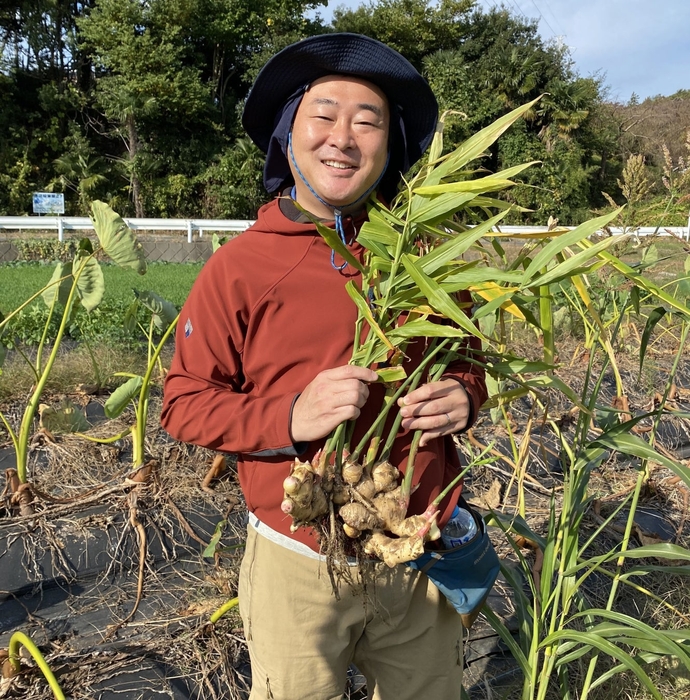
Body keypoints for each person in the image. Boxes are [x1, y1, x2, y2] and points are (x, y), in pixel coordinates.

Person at [161, 32, 488, 700]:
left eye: (368, 122)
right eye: (324, 115)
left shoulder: (424, 259)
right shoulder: (241, 267)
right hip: (299, 558)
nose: (344, 136)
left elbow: (470, 360)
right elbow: (184, 401)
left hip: (415, 544)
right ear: (287, 136)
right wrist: (290, 416)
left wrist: (465, 395)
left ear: (389, 148)